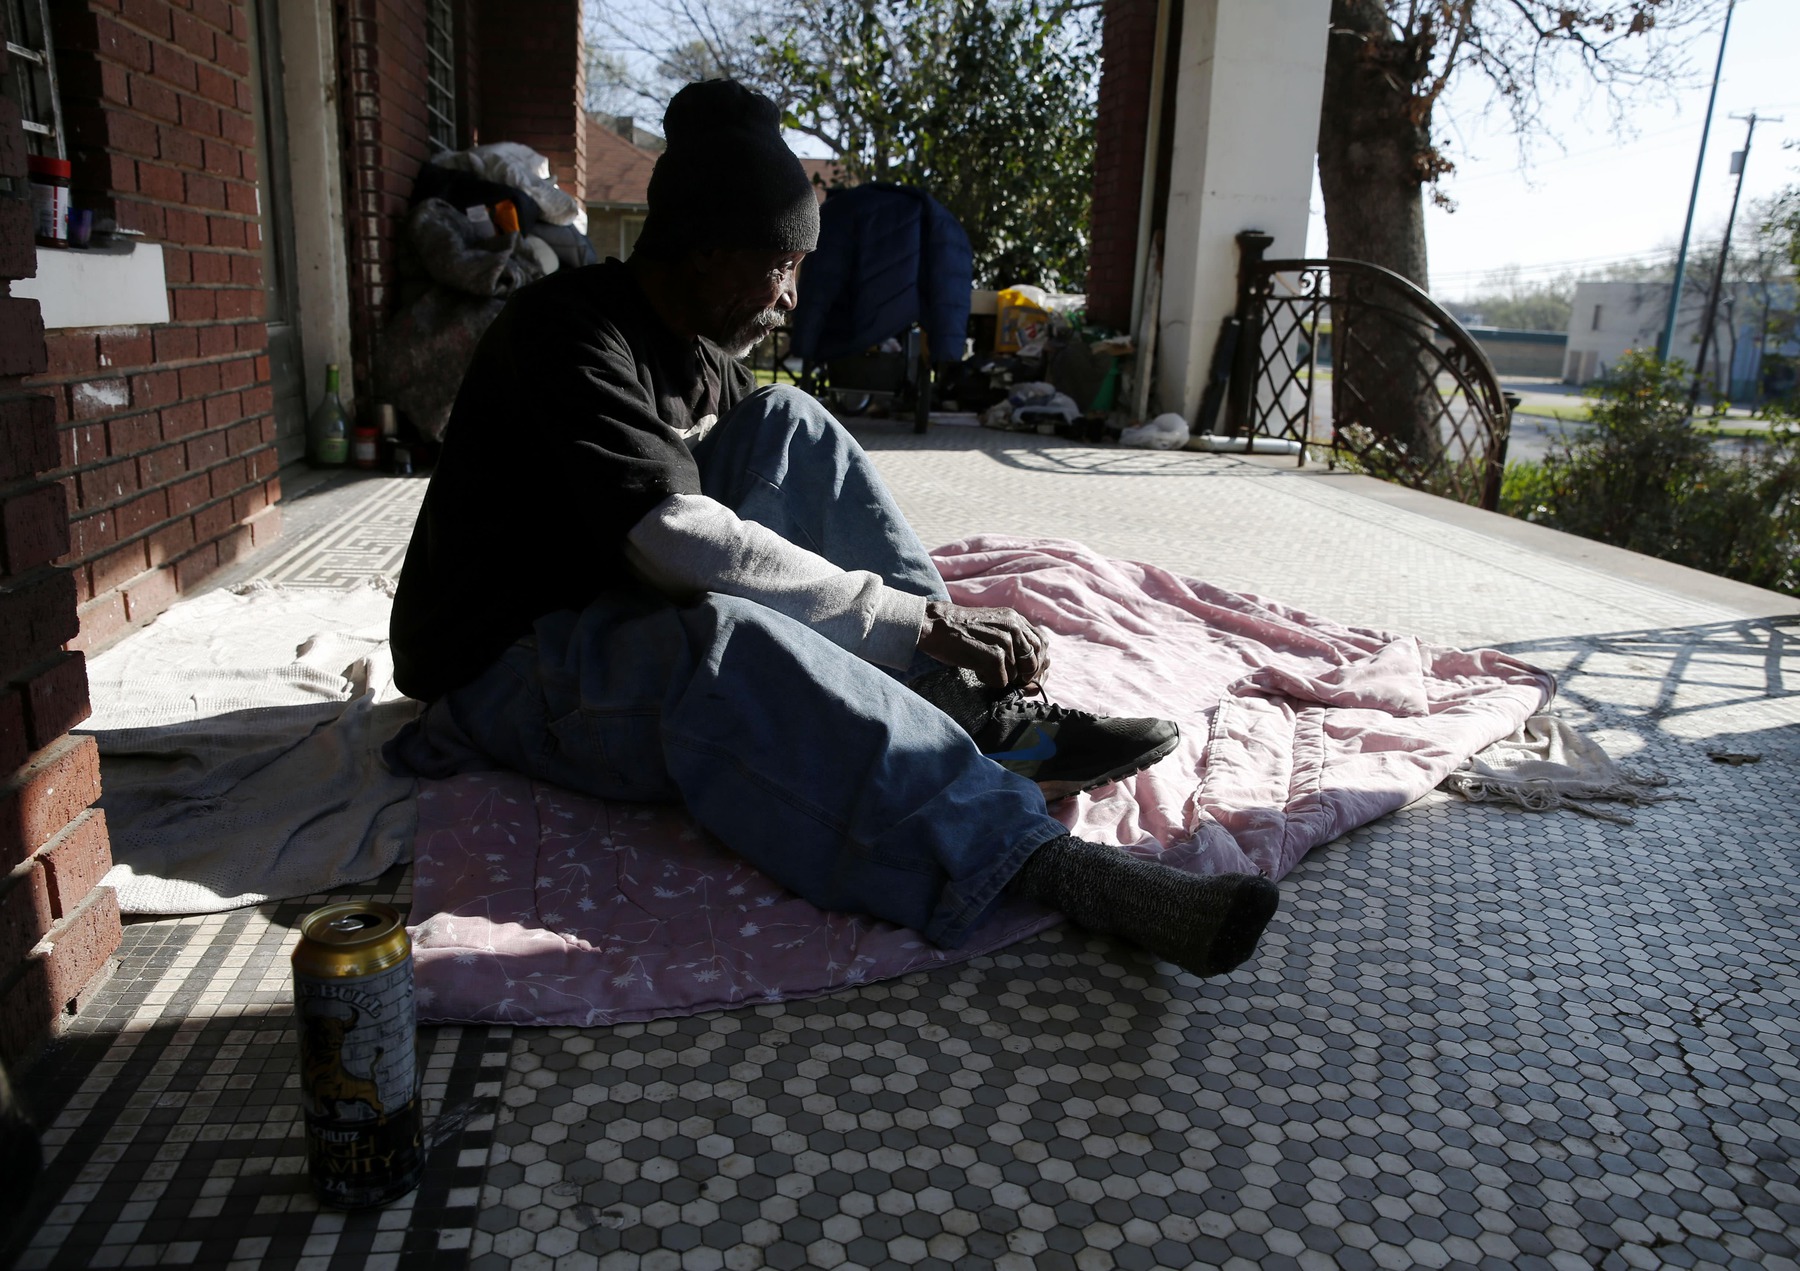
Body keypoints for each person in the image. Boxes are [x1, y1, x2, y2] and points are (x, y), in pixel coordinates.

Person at [388, 79, 1279, 976]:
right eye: (779, 267)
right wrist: (912, 618)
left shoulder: (696, 353)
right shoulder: (565, 330)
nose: (788, 298)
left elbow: (777, 496)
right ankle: (1045, 863)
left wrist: (925, 636)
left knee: (792, 423)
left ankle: (966, 706)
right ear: (705, 251)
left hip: (601, 594)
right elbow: (676, 538)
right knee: (723, 643)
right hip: (505, 665)